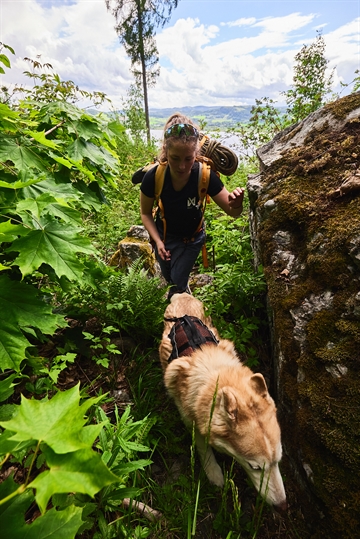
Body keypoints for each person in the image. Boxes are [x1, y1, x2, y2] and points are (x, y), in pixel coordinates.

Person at [140, 113, 245, 299]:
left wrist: (236, 204)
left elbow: (232, 211)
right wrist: (158, 242)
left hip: (192, 240)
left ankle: (180, 320)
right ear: (165, 150)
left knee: (176, 286)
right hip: (164, 237)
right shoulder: (153, 177)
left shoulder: (204, 175)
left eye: (188, 159)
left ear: (196, 153)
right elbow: (146, 213)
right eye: (175, 158)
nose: (182, 166)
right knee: (169, 276)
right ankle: (182, 294)